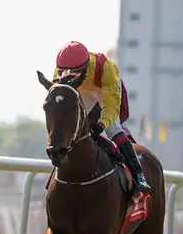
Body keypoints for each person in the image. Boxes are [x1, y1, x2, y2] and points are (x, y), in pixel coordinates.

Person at [53, 41, 150, 193]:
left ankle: (138, 174)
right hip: (81, 89)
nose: (67, 77)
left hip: (104, 87)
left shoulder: (106, 68)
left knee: (113, 128)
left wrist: (102, 124)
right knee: (72, 124)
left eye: (73, 74)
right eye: (64, 73)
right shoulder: (61, 70)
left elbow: (111, 107)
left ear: (85, 68)